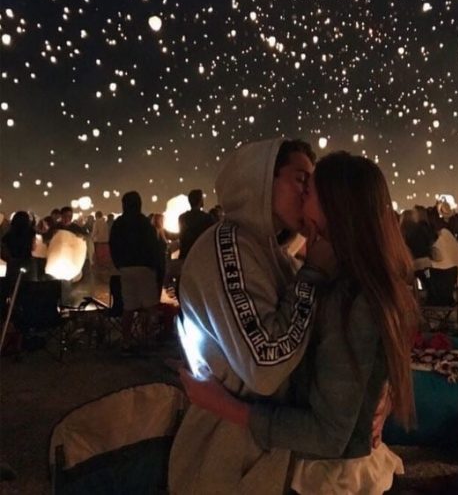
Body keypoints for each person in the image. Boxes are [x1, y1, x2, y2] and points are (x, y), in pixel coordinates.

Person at [180, 152, 418, 495]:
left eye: (311, 188)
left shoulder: (350, 297)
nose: (303, 193)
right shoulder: (329, 273)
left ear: (336, 205)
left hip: (329, 479)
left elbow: (328, 434)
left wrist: (226, 407)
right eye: (300, 181)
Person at [168, 138, 318, 494]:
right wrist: (314, 272)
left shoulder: (272, 253)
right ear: (262, 178)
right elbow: (265, 367)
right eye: (300, 179)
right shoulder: (229, 247)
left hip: (256, 450)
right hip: (228, 456)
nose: (309, 193)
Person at [109, 191, 161, 353]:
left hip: (126, 268)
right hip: (145, 267)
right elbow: (154, 246)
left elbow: (113, 245)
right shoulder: (145, 223)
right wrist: (155, 265)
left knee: (129, 306)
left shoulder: (119, 223)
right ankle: (148, 337)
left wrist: (119, 264)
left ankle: (126, 340)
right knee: (151, 305)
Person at [177, 189, 214, 263]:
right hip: (202, 255)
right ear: (200, 201)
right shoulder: (207, 218)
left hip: (186, 255)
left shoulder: (182, 217)